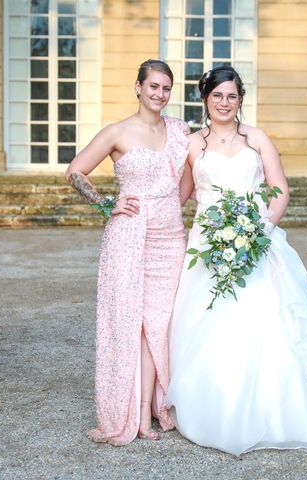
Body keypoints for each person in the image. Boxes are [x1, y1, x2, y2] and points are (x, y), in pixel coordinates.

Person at [167, 66, 307, 455]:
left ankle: (278, 407)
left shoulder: (256, 138)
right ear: (205, 99)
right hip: (208, 243)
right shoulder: (192, 144)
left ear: (240, 99)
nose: (224, 103)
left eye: (232, 96)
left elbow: (279, 191)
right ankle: (213, 405)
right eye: (217, 96)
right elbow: (181, 195)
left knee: (262, 322)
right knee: (207, 321)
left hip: (255, 240)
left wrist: (258, 231)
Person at [65, 59, 189, 444]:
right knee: (131, 323)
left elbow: (190, 180)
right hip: (130, 234)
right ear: (138, 87)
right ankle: (134, 415)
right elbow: (75, 171)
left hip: (170, 237)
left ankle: (151, 409)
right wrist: (106, 205)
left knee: (160, 324)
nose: (160, 94)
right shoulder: (117, 132)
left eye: (166, 88)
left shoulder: (180, 131)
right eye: (153, 86)